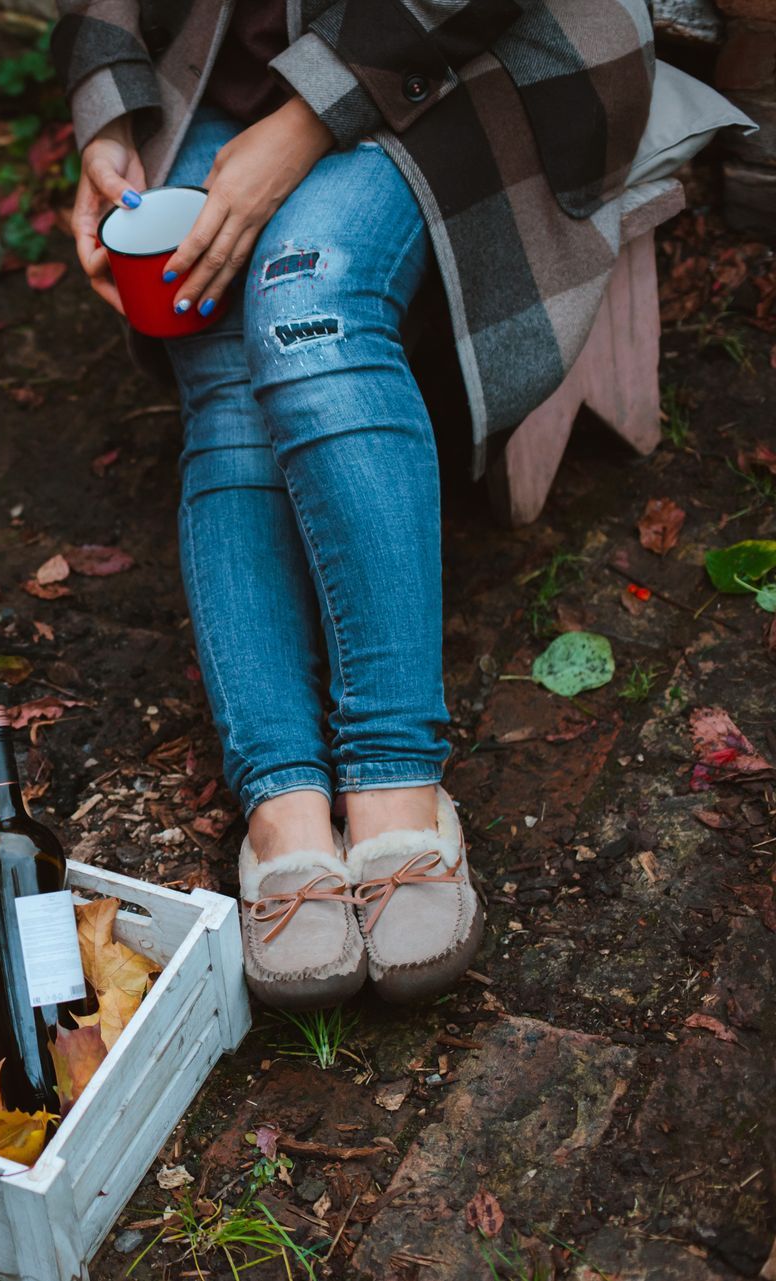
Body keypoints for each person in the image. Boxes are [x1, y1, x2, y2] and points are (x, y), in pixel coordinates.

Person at [56, 0, 674, 1008]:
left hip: (468, 62)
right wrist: (107, 118)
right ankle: (284, 805)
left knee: (306, 301)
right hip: (206, 71)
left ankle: (395, 777)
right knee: (217, 357)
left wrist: (303, 122)